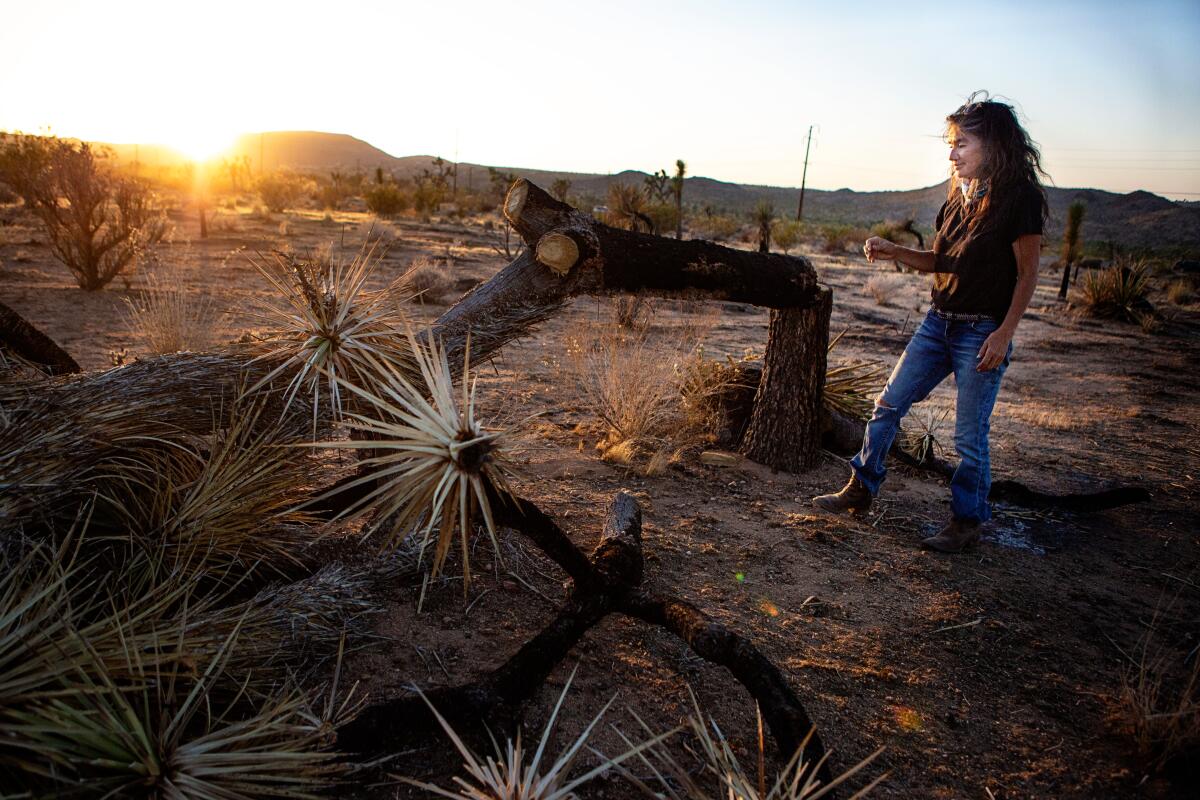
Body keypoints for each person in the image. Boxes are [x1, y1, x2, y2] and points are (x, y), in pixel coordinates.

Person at [812, 92, 1047, 553]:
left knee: (968, 435)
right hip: (938, 322)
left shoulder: (1019, 199)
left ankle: (966, 523)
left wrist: (1004, 333)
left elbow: (1028, 273)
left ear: (993, 146)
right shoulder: (959, 199)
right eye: (952, 143)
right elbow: (942, 261)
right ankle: (861, 488)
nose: (952, 153)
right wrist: (896, 251)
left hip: (982, 330)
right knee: (888, 404)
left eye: (962, 144)